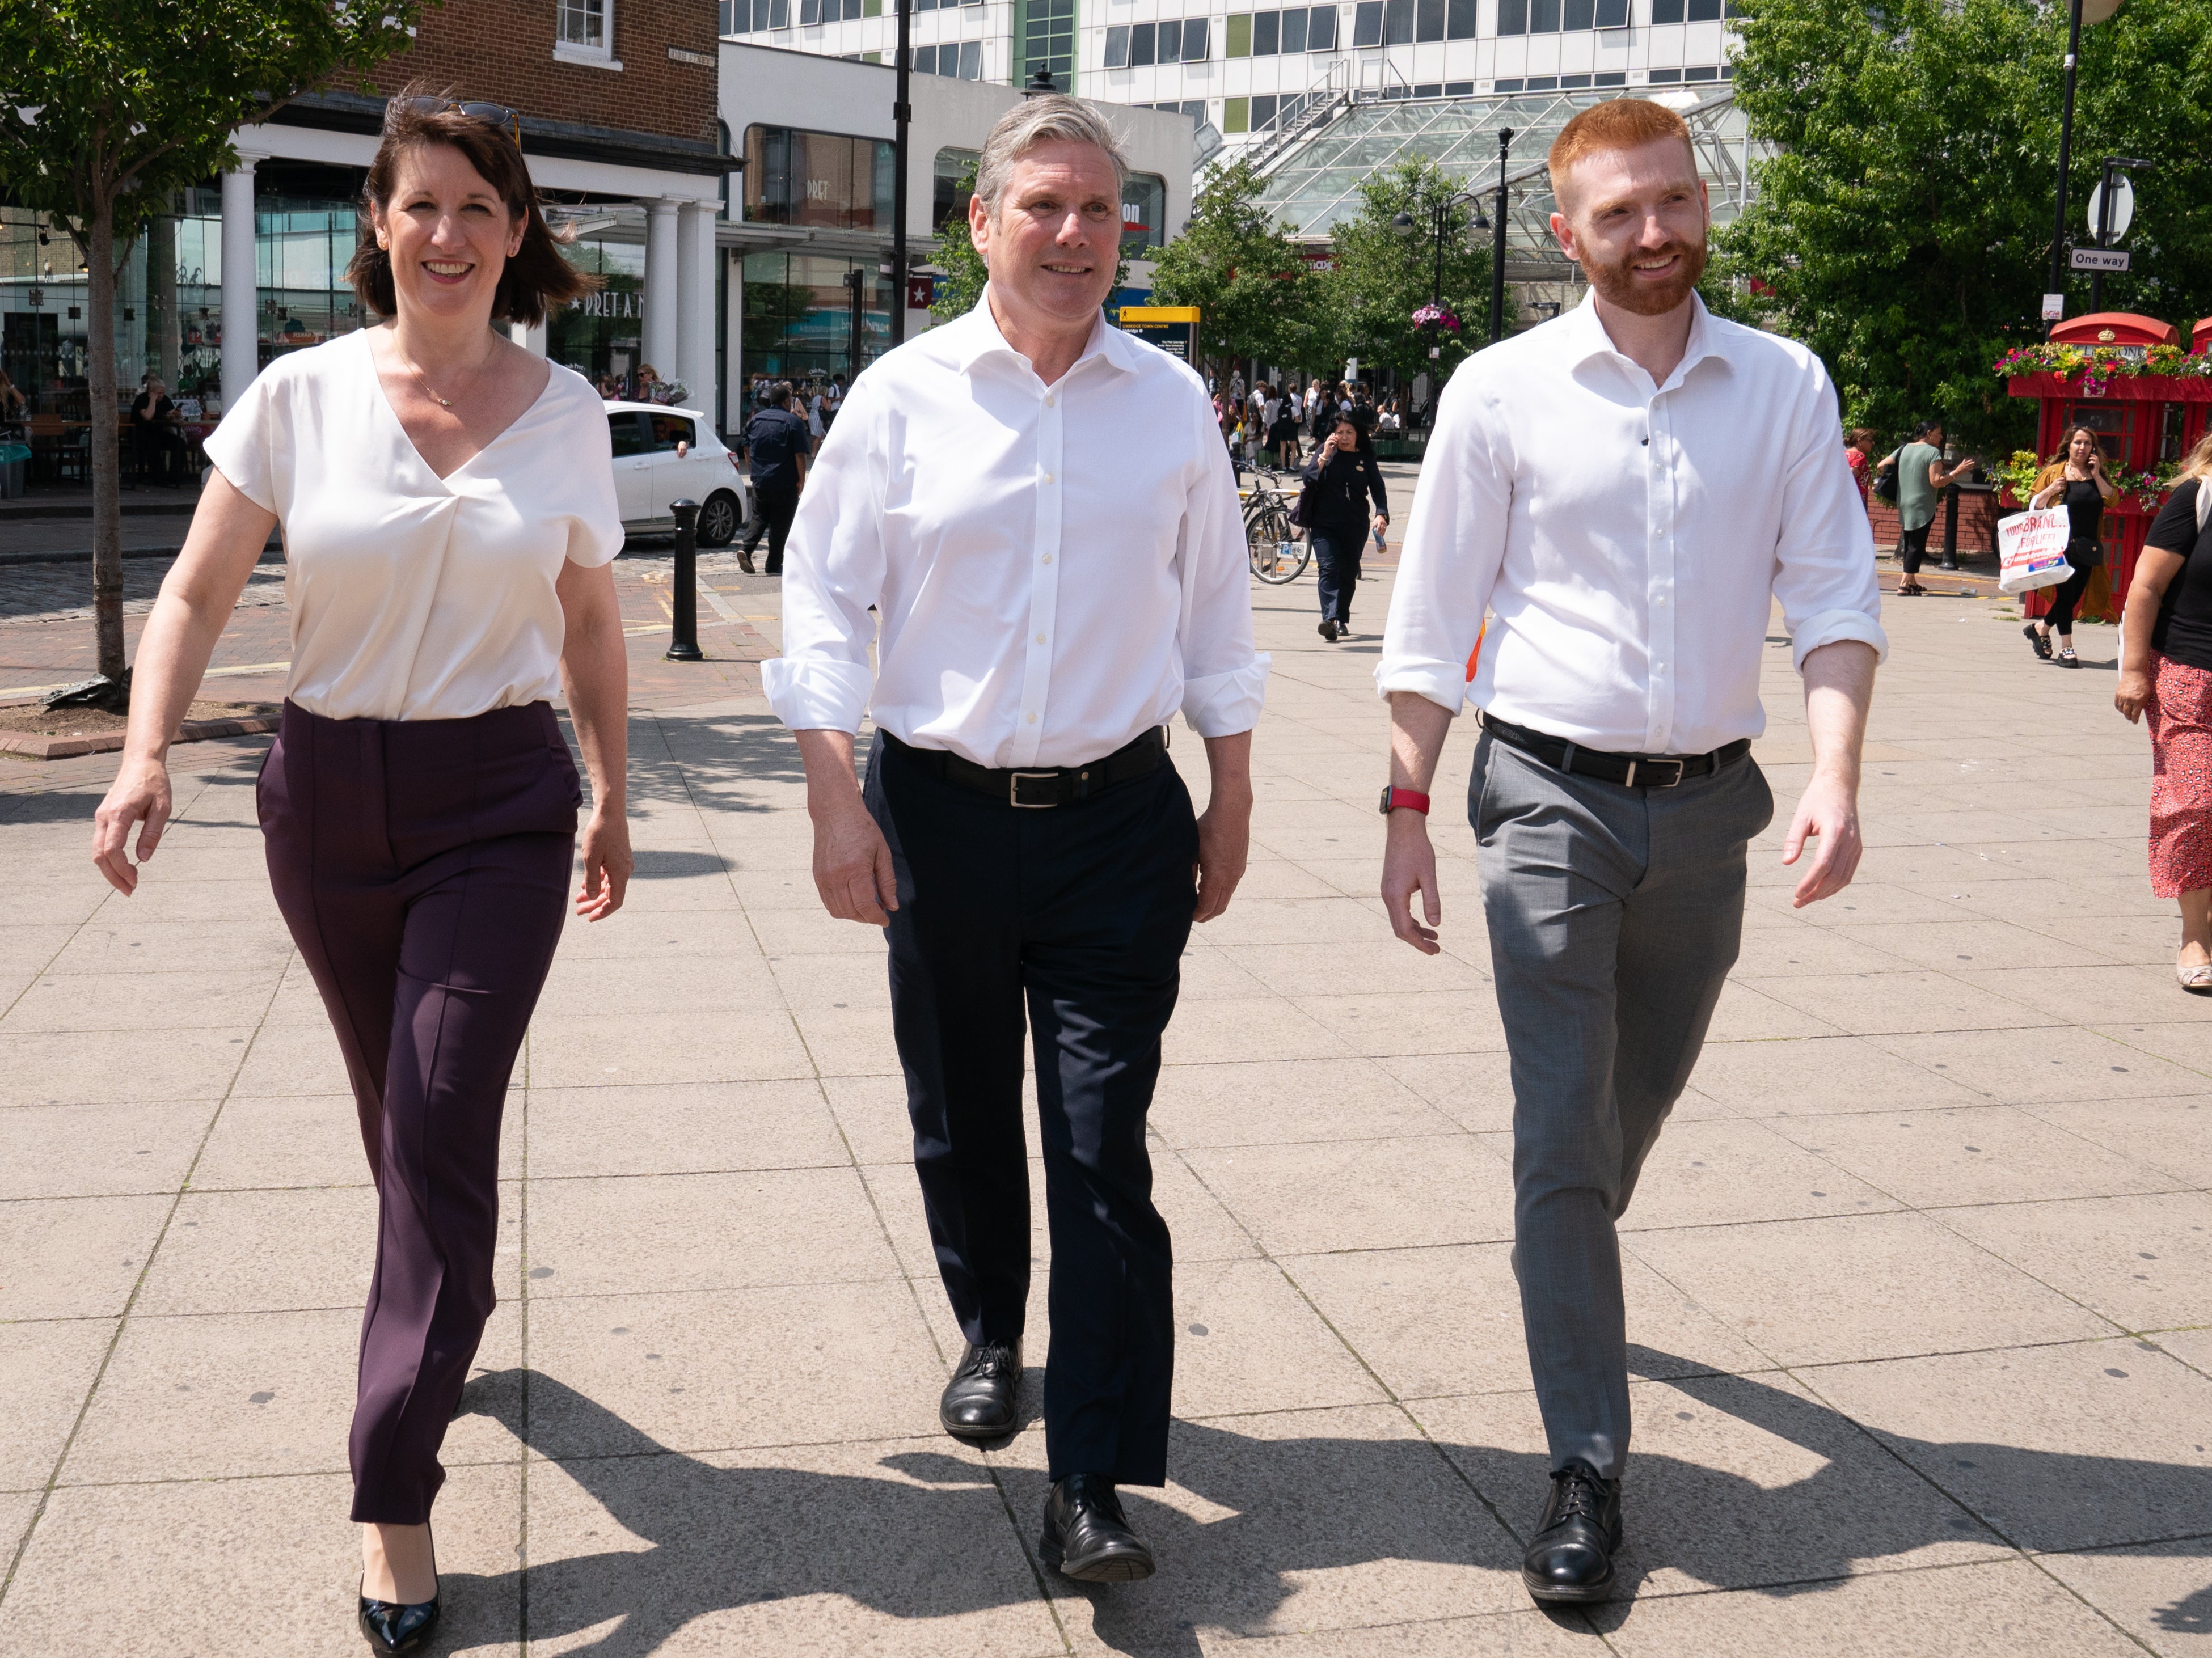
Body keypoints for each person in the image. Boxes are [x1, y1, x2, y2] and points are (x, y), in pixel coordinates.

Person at [87, 90, 632, 1656]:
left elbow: (592, 623)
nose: (447, 234)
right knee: (398, 1127)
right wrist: (145, 752)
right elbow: (193, 593)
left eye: (477, 206)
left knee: (442, 1126)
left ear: (515, 231)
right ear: (376, 230)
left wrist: (609, 792)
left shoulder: (567, 411)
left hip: (502, 800)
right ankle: (440, 1303)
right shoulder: (299, 396)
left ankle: (393, 1490)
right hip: (321, 795)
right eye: (418, 207)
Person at [1377, 98, 1882, 1607]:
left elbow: (1835, 593)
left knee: (1620, 1118)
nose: (1653, 234)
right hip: (1540, 795)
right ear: (1565, 235)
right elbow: (1427, 617)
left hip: (1709, 810)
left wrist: (1833, 776)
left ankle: (1571, 1248)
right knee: (1556, 1126)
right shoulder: (1498, 391)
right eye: (1618, 215)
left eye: (1671, 202)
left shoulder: (1780, 383)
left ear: (1698, 202)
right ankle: (1585, 1463)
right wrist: (1405, 806)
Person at [765, 94, 1268, 1585]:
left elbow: (1218, 618)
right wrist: (830, 793)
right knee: (964, 1104)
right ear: (980, 226)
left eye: (1098, 210)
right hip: (939, 812)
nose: (1071, 236)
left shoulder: (1170, 404)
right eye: (1040, 206)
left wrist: (1231, 790)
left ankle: (1094, 1481)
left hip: (1121, 817)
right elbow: (819, 600)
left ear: (1128, 230)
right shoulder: (902, 397)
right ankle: (993, 1321)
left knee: (1103, 1148)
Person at [2116, 428, 2212, 991]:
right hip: (2189, 673)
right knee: (2196, 801)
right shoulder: (2195, 497)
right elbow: (2146, 588)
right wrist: (2133, 669)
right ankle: (2195, 932)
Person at [2025, 425, 2119, 667]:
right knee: (2066, 595)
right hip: (2060, 547)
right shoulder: (2055, 472)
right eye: (2078, 442)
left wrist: (2097, 474)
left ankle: (2040, 628)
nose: (2082, 447)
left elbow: (2112, 499)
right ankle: (2067, 648)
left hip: (2087, 548)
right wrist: (2051, 489)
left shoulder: (2096, 475)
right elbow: (2034, 504)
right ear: (2068, 445)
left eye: (2087, 444)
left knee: (2073, 597)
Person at [1302, 413, 1388, 642]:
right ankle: (1329, 620)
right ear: (1333, 434)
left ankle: (1341, 618)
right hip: (1324, 524)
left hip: (1355, 524)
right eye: (1339, 432)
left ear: (1358, 434)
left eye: (1349, 432)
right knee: (1328, 568)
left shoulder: (1366, 458)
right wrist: (1324, 456)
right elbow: (1308, 479)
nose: (1344, 437)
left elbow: (1378, 488)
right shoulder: (1326, 453)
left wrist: (1381, 514)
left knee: (1348, 572)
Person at [1875, 418, 1973, 595]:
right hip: (1922, 504)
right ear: (1929, 434)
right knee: (1916, 545)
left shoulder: (1904, 449)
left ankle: (1911, 581)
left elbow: (1882, 465)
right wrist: (1956, 473)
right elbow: (1936, 482)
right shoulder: (1933, 453)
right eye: (1938, 433)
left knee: (1910, 540)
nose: (1941, 437)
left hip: (1904, 501)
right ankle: (1904, 584)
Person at [738, 380, 809, 575]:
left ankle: (747, 548)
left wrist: (753, 470)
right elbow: (800, 454)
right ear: (787, 401)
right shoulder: (794, 422)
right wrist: (801, 480)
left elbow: (746, 447)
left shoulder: (756, 420)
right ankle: (773, 564)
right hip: (784, 481)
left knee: (759, 517)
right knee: (781, 523)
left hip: (761, 478)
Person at [129, 374, 185, 487]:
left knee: (179, 443)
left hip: (159, 432)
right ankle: (159, 478)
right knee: (153, 445)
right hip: (141, 433)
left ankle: (175, 476)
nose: (162, 396)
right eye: (159, 393)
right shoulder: (142, 399)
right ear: (151, 392)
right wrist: (153, 400)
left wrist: (175, 414)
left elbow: (169, 414)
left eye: (163, 393)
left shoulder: (165, 400)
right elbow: (148, 416)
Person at [1844, 426, 1877, 506]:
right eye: (1870, 441)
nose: (1873, 443)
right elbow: (1849, 478)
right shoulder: (1860, 457)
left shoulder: (1844, 454)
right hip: (1855, 502)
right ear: (1860, 442)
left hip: (1843, 501)